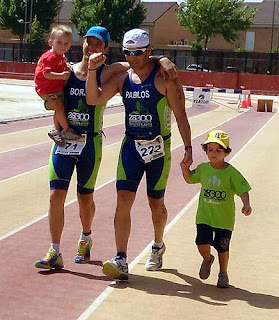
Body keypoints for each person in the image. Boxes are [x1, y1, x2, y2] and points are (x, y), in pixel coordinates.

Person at [35, 26, 177, 270]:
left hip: (90, 141)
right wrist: (50, 103)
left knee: (84, 197)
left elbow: (138, 62)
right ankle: (55, 250)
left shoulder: (109, 72)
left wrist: (161, 58)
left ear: (105, 49)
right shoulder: (66, 71)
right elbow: (46, 90)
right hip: (64, 140)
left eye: (98, 44)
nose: (92, 47)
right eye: (88, 42)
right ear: (82, 44)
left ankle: (85, 237)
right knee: (55, 196)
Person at [86, 28, 192, 280]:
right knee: (123, 200)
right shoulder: (123, 78)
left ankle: (157, 245)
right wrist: (91, 71)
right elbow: (93, 99)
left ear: (149, 51)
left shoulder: (165, 77)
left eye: (138, 52)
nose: (133, 57)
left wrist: (188, 148)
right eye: (128, 52)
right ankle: (121, 258)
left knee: (155, 203)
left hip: (158, 149)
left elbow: (181, 116)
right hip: (131, 147)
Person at [180, 129, 252, 288]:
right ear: (205, 151)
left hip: (224, 219)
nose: (214, 153)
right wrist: (184, 168)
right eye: (210, 149)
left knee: (222, 248)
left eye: (219, 150)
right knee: (201, 243)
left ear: (226, 152)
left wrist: (246, 203)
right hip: (205, 216)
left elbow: (243, 189)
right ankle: (207, 259)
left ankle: (223, 273)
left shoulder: (231, 172)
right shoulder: (204, 169)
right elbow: (190, 179)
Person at [34, 24, 81, 146]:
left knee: (60, 108)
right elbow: (47, 74)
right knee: (59, 106)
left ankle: (56, 130)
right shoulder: (49, 57)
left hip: (55, 88)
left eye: (66, 44)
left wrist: (68, 68)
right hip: (46, 89)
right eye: (59, 42)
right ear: (51, 42)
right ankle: (66, 130)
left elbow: (63, 66)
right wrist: (62, 76)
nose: (62, 46)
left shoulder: (62, 56)